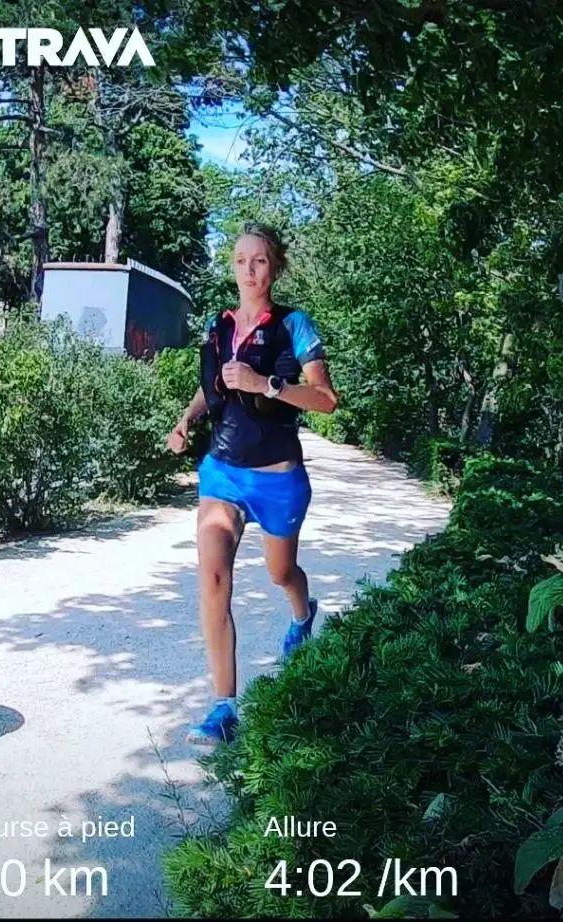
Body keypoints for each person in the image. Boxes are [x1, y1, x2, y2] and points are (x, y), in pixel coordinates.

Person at [166, 223, 338, 745]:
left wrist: (268, 384)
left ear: (274, 267)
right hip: (222, 473)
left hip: (279, 480)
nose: (248, 271)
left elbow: (326, 398)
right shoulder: (218, 328)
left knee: (281, 573)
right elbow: (210, 388)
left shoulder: (294, 326)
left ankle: (303, 614)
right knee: (213, 582)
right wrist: (186, 419)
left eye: (259, 261)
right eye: (240, 260)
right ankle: (224, 707)